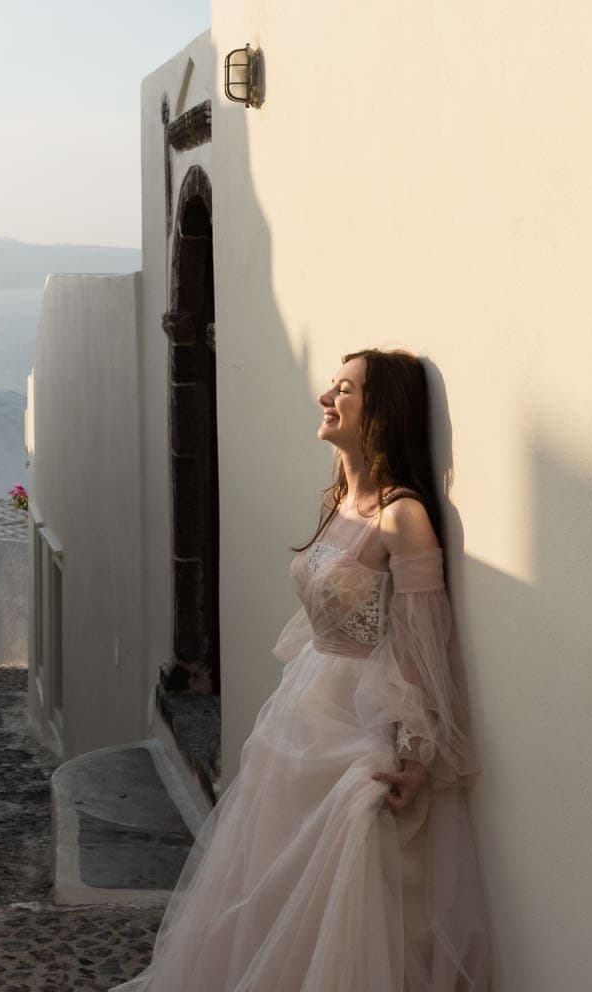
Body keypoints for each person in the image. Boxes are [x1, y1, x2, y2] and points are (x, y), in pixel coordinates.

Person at [120, 348, 492, 990]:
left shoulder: (403, 518)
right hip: (303, 709)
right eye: (332, 386)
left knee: (349, 887)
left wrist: (416, 755)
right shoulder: (344, 500)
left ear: (382, 413)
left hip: (356, 722)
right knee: (273, 881)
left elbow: (424, 647)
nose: (328, 397)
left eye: (346, 389)